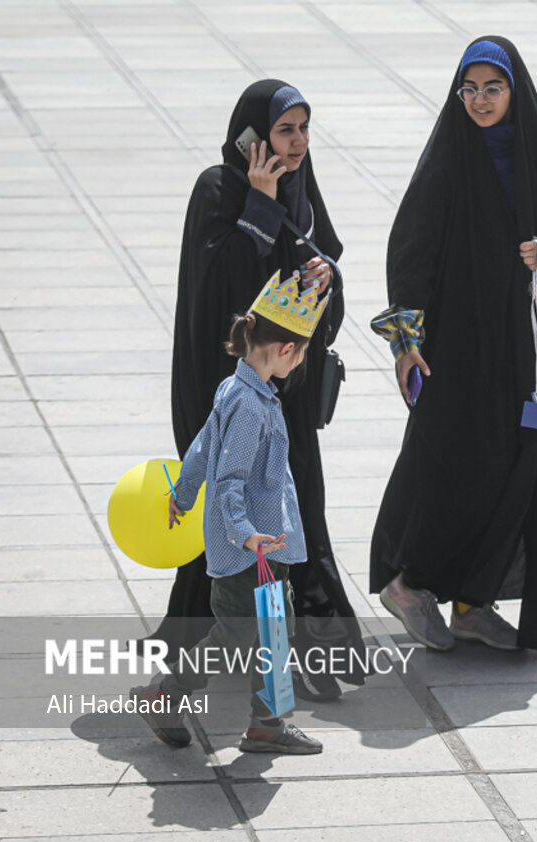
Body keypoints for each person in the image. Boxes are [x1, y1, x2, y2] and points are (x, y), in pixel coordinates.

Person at [369, 37, 537, 652]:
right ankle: (408, 583)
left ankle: (472, 605)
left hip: (532, 356)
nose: (479, 101)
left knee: (525, 470)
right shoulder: (451, 158)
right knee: (457, 465)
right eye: (469, 90)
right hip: (461, 348)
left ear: (515, 92)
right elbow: (411, 251)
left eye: (492, 89)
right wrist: (405, 342)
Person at [151, 79, 365, 699]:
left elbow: (320, 300)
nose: (296, 144)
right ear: (252, 137)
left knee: (298, 519)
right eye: (283, 130)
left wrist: (328, 279)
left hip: (287, 395)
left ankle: (301, 655)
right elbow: (220, 294)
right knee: (240, 526)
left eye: (303, 130)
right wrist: (261, 205)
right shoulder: (218, 190)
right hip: (233, 391)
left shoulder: (304, 195)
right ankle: (213, 677)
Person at [132, 270, 328, 754]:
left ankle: (267, 726)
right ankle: (165, 693)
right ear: (286, 349)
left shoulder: (236, 389)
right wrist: (244, 534)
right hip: (249, 549)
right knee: (238, 634)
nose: (300, 361)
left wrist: (181, 493)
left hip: (268, 541)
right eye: (302, 352)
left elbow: (201, 448)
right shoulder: (249, 405)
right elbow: (230, 479)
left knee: (276, 629)